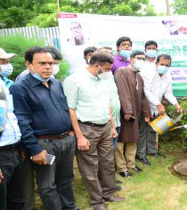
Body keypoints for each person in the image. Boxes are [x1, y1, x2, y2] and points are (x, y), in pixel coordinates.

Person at [10, 46, 78, 210]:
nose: (48, 67)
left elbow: (64, 109)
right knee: (48, 186)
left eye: (50, 63)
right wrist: (34, 149)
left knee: (66, 179)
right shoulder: (20, 88)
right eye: (42, 63)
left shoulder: (56, 83)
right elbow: (22, 121)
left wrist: (71, 132)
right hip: (44, 145)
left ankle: (70, 208)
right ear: (29, 65)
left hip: (66, 140)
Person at [63, 52, 123, 210]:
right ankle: (97, 202)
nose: (110, 72)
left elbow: (107, 103)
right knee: (90, 167)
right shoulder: (74, 81)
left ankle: (108, 193)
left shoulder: (102, 78)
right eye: (107, 69)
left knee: (108, 163)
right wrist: (80, 136)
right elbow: (71, 109)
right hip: (87, 128)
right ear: (97, 66)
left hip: (105, 127)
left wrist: (111, 126)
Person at [138, 53, 181, 166]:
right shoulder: (147, 74)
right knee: (142, 131)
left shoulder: (167, 76)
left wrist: (176, 103)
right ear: (156, 63)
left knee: (153, 130)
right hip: (145, 106)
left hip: (156, 108)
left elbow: (168, 93)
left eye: (167, 65)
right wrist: (158, 104)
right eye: (162, 64)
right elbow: (146, 91)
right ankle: (141, 155)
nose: (164, 67)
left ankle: (152, 151)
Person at [114, 51, 151, 178]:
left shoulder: (139, 76)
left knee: (133, 139)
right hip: (124, 114)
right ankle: (121, 168)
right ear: (131, 59)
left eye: (143, 59)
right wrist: (128, 111)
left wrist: (146, 113)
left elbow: (143, 97)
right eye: (138, 58)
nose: (141, 60)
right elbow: (123, 92)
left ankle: (131, 164)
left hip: (135, 113)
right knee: (121, 141)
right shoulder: (121, 71)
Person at [0, 79, 24, 210]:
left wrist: (19, 145)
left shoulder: (3, 82)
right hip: (1, 153)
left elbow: (9, 115)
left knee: (17, 198)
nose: (5, 65)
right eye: (2, 61)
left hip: (14, 149)